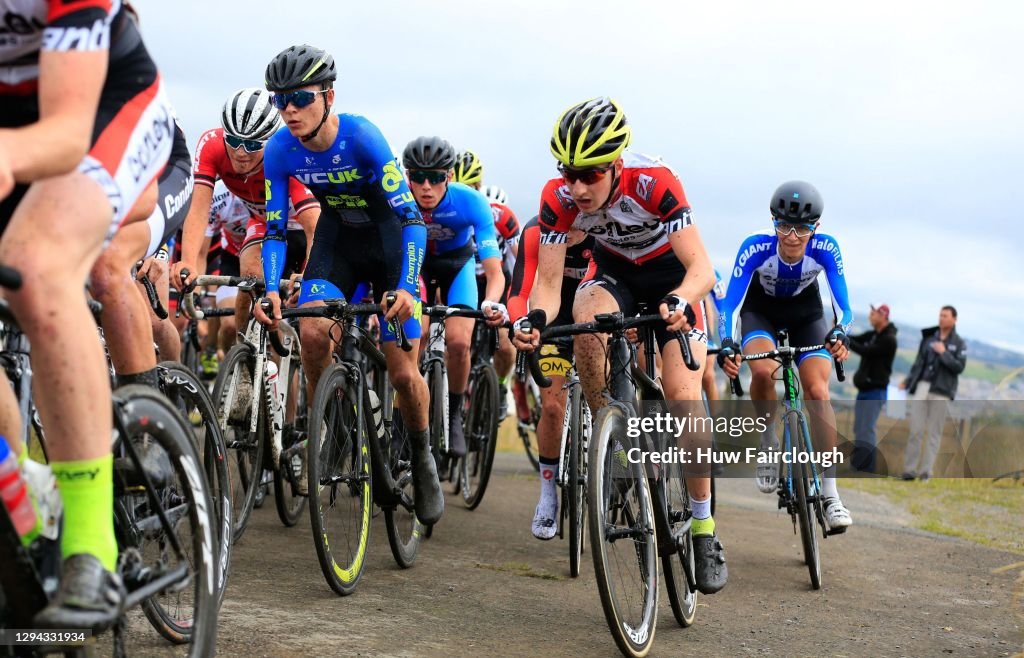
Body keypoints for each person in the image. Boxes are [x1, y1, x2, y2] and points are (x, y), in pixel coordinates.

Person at [0, 0, 177, 629]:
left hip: (101, 108)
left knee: (37, 264)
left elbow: (67, 130)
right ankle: (22, 511)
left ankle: (90, 546)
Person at [512, 97, 727, 593]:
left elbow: (702, 270)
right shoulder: (558, 199)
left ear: (615, 164)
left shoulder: (654, 183)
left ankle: (703, 527)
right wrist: (536, 320)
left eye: (590, 174)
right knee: (586, 319)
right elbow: (546, 284)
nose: (577, 187)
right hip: (614, 275)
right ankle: (609, 433)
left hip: (672, 279)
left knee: (682, 396)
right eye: (569, 173)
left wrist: (679, 298)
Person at [253, 44, 443, 524]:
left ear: (328, 96)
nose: (289, 111)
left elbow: (411, 218)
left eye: (300, 98)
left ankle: (420, 457)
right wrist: (271, 288)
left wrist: (406, 285)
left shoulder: (362, 137)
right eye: (280, 101)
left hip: (389, 245)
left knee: (402, 372)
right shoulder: (278, 150)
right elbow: (276, 230)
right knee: (313, 332)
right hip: (338, 243)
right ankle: (330, 428)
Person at [716, 180, 854, 532]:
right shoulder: (756, 246)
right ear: (773, 221)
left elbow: (843, 305)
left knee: (818, 392)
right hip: (761, 313)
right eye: (783, 226)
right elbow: (730, 303)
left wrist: (840, 332)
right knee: (762, 372)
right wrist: (727, 342)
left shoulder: (825, 248)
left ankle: (831, 493)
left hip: (807, 315)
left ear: (815, 228)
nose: (792, 236)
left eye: (802, 229)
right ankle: (767, 441)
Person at [171, 88, 319, 342]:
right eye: (234, 141)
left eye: (252, 145)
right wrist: (188, 261)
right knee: (249, 278)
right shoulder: (212, 146)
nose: (240, 152)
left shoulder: (284, 154)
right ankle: (246, 359)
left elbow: (313, 225)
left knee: (310, 328)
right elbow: (199, 208)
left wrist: (311, 271)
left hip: (306, 229)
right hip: (266, 224)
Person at [402, 137, 507, 457]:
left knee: (459, 343)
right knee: (414, 334)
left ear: (449, 177)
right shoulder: (399, 199)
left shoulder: (471, 201)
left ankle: (455, 414)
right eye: (417, 177)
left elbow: (494, 272)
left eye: (435, 177)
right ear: (407, 178)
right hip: (416, 265)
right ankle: (403, 420)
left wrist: (490, 301)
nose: (426, 186)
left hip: (457, 267)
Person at [507, 215, 593, 538]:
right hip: (552, 322)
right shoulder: (535, 231)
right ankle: (547, 495)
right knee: (553, 408)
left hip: (597, 320)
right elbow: (518, 292)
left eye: (578, 225)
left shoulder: (605, 229)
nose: (571, 232)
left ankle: (611, 450)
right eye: (564, 226)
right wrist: (520, 323)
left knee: (610, 392)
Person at [900, 305, 967, 481]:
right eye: (940, 315)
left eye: (945, 316)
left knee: (934, 434)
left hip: (941, 391)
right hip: (922, 386)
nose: (941, 318)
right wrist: (908, 380)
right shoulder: (929, 338)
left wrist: (944, 353)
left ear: (954, 320)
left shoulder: (959, 343)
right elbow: (918, 362)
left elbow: (959, 367)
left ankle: (925, 473)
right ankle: (909, 470)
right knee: (916, 429)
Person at [849, 303, 897, 473]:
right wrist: (842, 334)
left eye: (873, 313)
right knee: (859, 428)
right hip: (865, 389)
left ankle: (867, 468)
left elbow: (865, 350)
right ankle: (858, 465)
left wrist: (844, 340)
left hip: (875, 390)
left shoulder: (888, 339)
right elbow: (856, 339)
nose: (870, 316)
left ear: (883, 315)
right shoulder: (873, 335)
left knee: (867, 429)